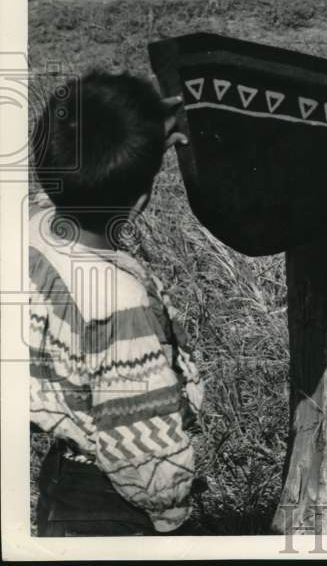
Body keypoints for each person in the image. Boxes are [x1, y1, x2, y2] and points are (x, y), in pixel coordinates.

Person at [29, 71, 204, 536]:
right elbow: (140, 436)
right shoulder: (118, 304)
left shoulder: (29, 229)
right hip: (113, 497)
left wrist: (141, 137)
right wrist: (169, 511)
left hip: (63, 482)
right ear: (141, 204)